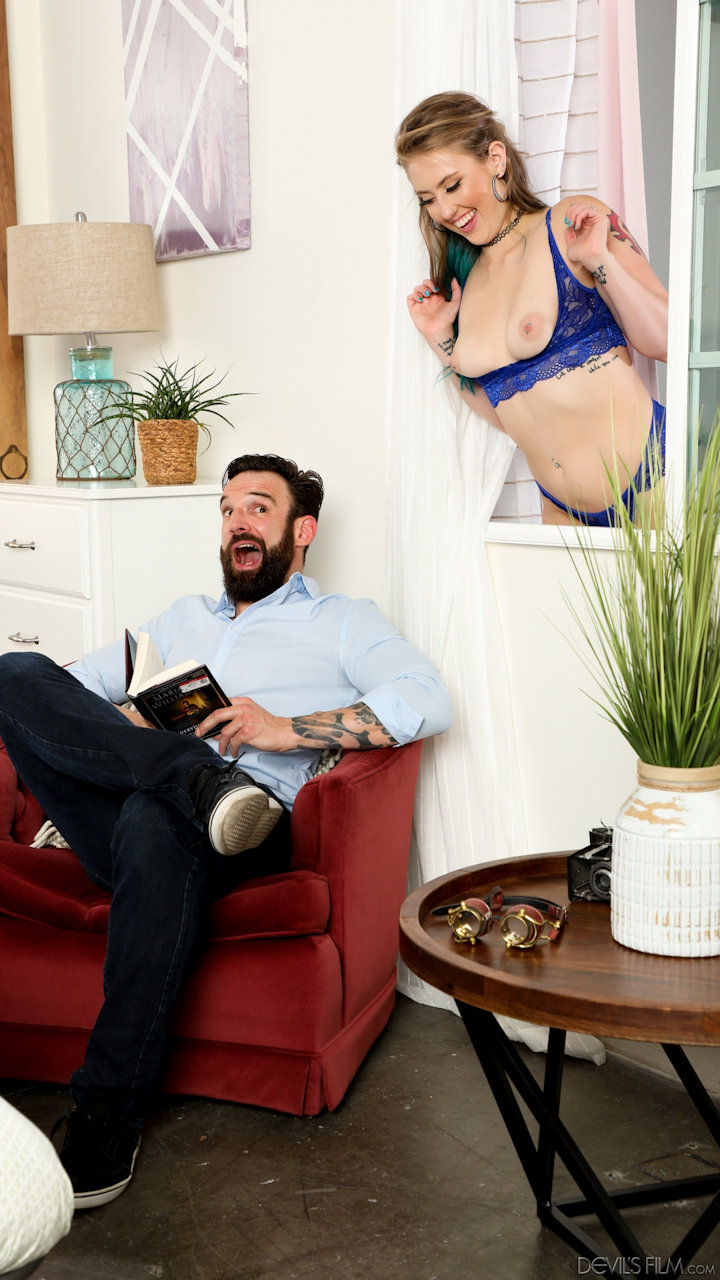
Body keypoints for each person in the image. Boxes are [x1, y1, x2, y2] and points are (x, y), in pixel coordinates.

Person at [0, 453, 451, 1210]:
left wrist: (283, 729)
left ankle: (106, 1115)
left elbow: (428, 698)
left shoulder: (342, 621)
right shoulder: (179, 621)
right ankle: (187, 774)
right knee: (14, 674)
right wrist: (130, 721)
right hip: (132, 805)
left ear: (301, 531)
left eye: (259, 508)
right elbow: (64, 691)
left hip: (248, 822)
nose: (238, 521)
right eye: (228, 508)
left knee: (154, 817)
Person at [395, 91, 669, 526]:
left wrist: (601, 261)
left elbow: (667, 340)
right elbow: (510, 414)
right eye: (428, 199)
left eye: (452, 185)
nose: (444, 210)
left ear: (496, 159)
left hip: (652, 480)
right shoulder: (465, 282)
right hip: (562, 510)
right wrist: (440, 338)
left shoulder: (568, 224)